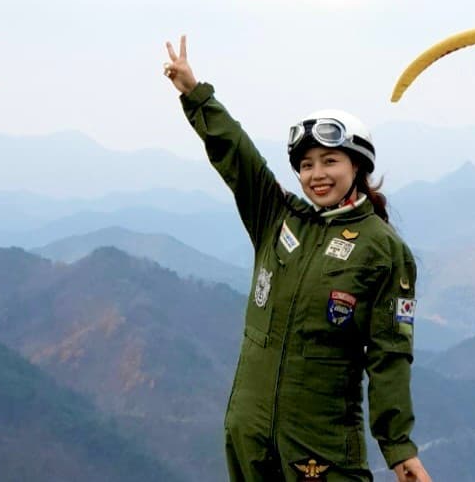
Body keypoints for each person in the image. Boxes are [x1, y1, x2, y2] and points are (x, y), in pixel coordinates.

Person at [163, 35, 432, 482]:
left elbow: (389, 356)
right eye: (306, 165)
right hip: (248, 431)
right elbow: (238, 156)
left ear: (357, 166)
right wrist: (195, 94)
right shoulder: (277, 217)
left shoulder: (382, 249)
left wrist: (398, 448)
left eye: (330, 161)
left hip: (319, 441)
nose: (317, 175)